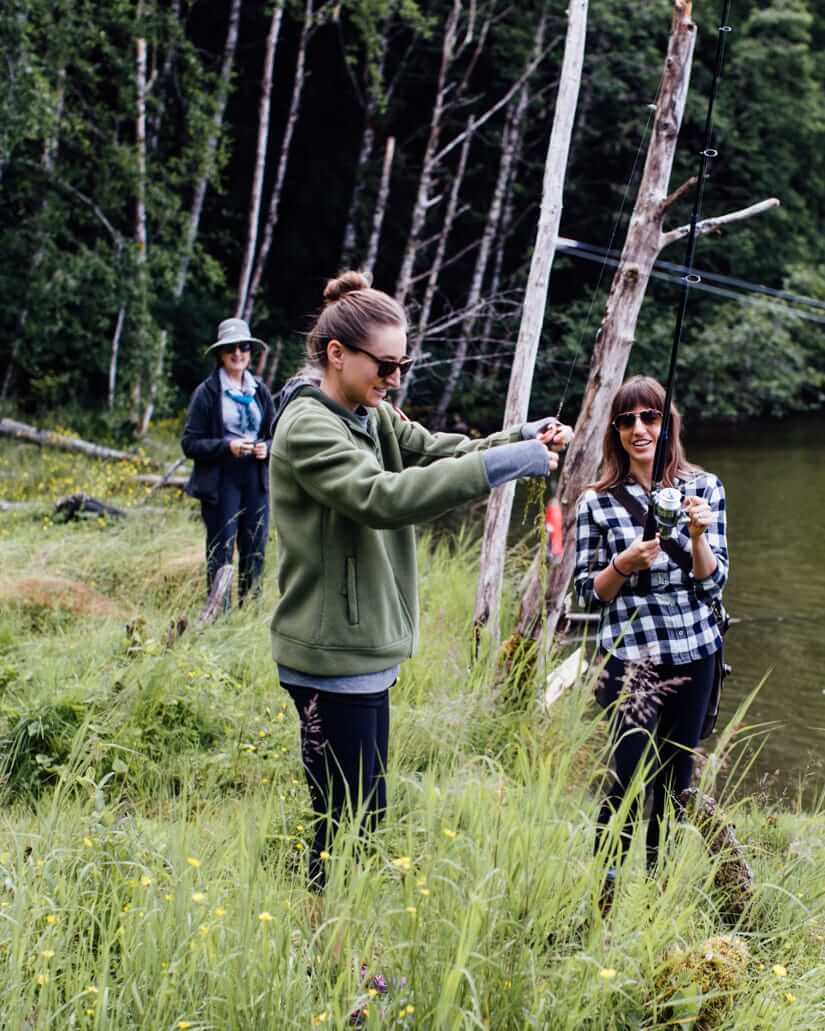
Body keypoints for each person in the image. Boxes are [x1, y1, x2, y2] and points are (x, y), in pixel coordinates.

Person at [269, 270, 573, 890]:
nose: (395, 378)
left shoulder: (367, 409)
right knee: (346, 821)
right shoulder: (310, 426)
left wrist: (520, 437)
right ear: (337, 353)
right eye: (385, 364)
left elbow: (433, 450)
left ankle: (332, 948)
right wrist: (510, 464)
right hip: (332, 654)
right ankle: (324, 951)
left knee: (361, 816)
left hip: (362, 650)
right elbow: (382, 497)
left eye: (402, 364)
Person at [574, 375, 728, 901]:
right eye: (627, 420)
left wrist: (699, 537)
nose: (640, 429)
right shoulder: (595, 502)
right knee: (625, 774)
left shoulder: (705, 488)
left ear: (668, 424)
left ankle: (659, 887)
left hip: (696, 650)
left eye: (650, 417)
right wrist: (623, 563)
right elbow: (586, 595)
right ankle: (606, 892)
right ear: (615, 431)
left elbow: (714, 581)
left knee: (675, 779)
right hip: (631, 659)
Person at [182, 317, 275, 607]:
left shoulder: (259, 391)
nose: (238, 353)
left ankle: (248, 611)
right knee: (221, 550)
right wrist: (227, 447)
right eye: (231, 348)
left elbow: (276, 436)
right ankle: (217, 615)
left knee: (255, 548)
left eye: (244, 347)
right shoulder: (207, 393)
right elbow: (190, 443)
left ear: (250, 351)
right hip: (221, 481)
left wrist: (266, 448)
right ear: (221, 354)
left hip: (255, 480)